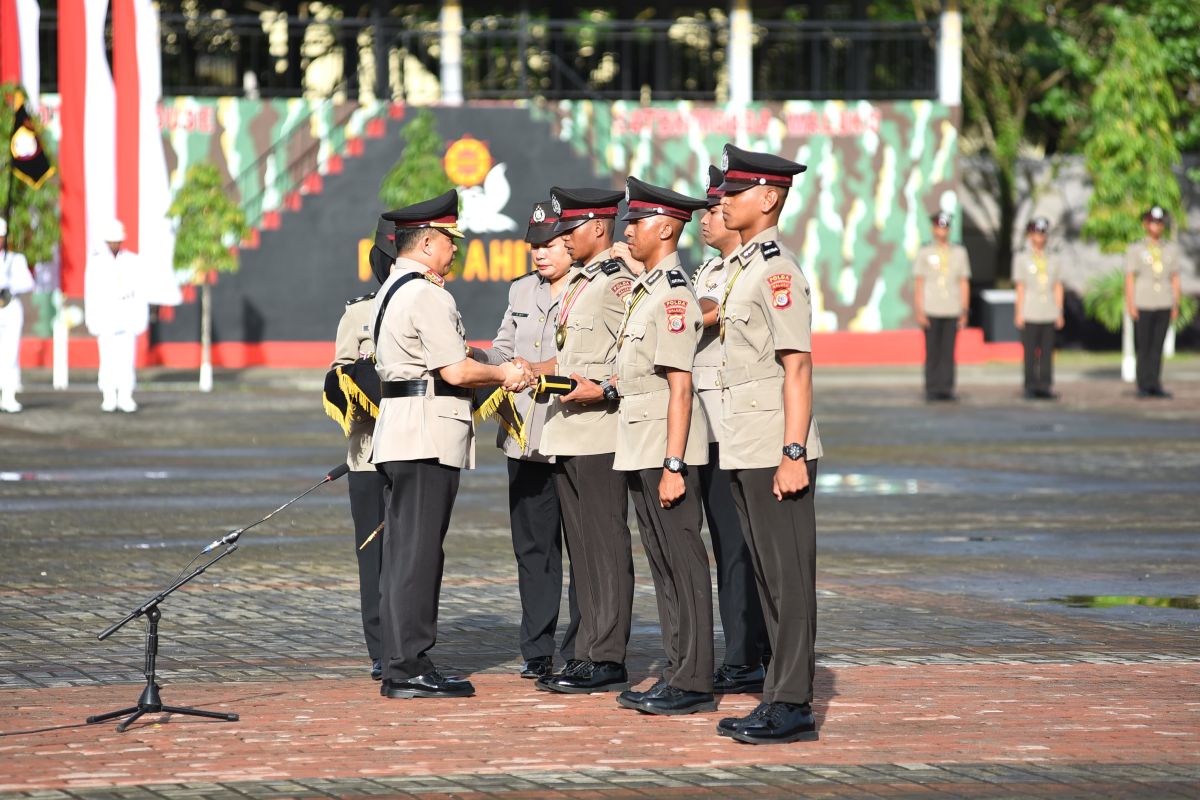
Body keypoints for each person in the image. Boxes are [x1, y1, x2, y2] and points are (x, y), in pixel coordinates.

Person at [370, 190, 530, 699]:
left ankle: (399, 659)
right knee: (418, 555)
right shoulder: (427, 294)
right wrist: (504, 372)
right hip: (426, 433)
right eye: (450, 242)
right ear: (429, 243)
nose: (455, 250)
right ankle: (409, 666)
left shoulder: (392, 291)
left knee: (402, 553)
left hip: (401, 428)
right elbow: (456, 370)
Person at [713, 143, 823, 745]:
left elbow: (797, 366)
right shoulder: (743, 267)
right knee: (766, 577)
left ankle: (793, 704)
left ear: (769, 197)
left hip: (774, 443)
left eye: (735, 192)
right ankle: (777, 695)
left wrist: (793, 452)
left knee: (788, 579)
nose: (724, 201)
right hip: (745, 439)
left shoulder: (777, 269)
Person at [604, 176, 715, 716]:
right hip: (640, 445)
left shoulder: (672, 295)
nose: (627, 230)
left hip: (664, 450)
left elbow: (680, 384)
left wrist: (674, 463)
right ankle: (676, 668)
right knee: (663, 565)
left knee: (684, 562)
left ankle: (693, 678)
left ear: (666, 228)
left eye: (636, 221)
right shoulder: (648, 288)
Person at [471, 201, 581, 680]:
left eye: (549, 244)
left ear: (571, 245)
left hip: (575, 431)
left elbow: (589, 356)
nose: (539, 253)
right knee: (534, 549)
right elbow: (503, 347)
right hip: (524, 437)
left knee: (585, 549)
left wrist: (531, 369)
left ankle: (583, 648)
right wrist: (477, 362)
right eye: (534, 245)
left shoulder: (592, 289)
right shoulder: (521, 291)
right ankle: (537, 650)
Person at [535, 186, 637, 695]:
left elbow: (637, 354)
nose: (562, 236)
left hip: (601, 429)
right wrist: (533, 370)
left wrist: (609, 387)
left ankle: (609, 654)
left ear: (599, 227)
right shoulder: (579, 282)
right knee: (582, 549)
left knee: (605, 546)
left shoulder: (619, 283)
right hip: (568, 428)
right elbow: (571, 354)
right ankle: (585, 650)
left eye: (570, 227)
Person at [691, 166, 770, 692]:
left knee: (739, 547)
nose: (707, 219)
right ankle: (739, 649)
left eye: (716, 210)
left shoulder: (749, 270)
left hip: (734, 429)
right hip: (704, 429)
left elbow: (706, 315)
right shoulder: (707, 270)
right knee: (722, 545)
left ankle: (747, 656)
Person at [328, 216, 397, 681]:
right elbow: (337, 375)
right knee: (373, 553)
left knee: (413, 550)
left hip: (420, 450)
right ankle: (381, 646)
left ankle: (410, 640)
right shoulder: (359, 313)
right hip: (370, 453)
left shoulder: (435, 305)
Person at [84, 220, 149, 413]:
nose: (114, 245)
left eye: (117, 241)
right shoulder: (96, 263)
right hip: (106, 314)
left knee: (127, 358)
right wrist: (92, 319)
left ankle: (126, 395)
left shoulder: (132, 261)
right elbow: (91, 293)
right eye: (111, 241)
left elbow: (140, 292)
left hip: (127, 312)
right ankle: (109, 395)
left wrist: (141, 317)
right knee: (108, 358)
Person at [1125, 205, 1183, 399]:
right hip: (1144, 301)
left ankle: (1155, 382)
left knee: (1158, 346)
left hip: (1164, 301)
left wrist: (1176, 303)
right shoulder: (1136, 249)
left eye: (1159, 223)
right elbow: (1130, 278)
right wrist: (1131, 303)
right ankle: (1142, 383)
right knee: (1143, 345)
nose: (1156, 226)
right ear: (1145, 224)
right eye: (1152, 222)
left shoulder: (1170, 249)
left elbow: (1174, 278)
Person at [913, 211, 971, 401]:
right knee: (932, 351)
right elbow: (919, 283)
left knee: (948, 351)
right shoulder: (925, 252)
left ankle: (946, 388)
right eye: (939, 226)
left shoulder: (959, 252)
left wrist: (964, 309)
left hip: (952, 307)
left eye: (945, 227)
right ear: (933, 228)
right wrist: (919, 310)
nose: (942, 231)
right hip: (931, 308)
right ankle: (932, 387)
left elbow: (963, 282)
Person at [1013, 217, 1063, 400]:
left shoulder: (1053, 258)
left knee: (1047, 352)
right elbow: (1020, 287)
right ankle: (1030, 385)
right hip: (1030, 310)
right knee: (1030, 351)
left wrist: (1059, 311)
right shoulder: (1022, 258)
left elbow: (1057, 286)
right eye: (1036, 233)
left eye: (1042, 233)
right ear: (1030, 235)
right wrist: (1019, 312)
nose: (1039, 237)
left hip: (1048, 309)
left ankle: (1045, 385)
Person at [0, 218, 34, 413]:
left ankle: (9, 396)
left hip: (11, 307)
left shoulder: (16, 259)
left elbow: (28, 283)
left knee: (11, 354)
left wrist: (10, 283)